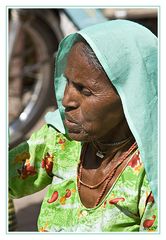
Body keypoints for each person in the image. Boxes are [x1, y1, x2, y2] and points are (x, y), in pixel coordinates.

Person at [9, 19, 158, 232]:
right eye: (67, 82)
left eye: (85, 90)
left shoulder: (151, 176)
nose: (66, 100)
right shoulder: (61, 140)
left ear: (130, 96)